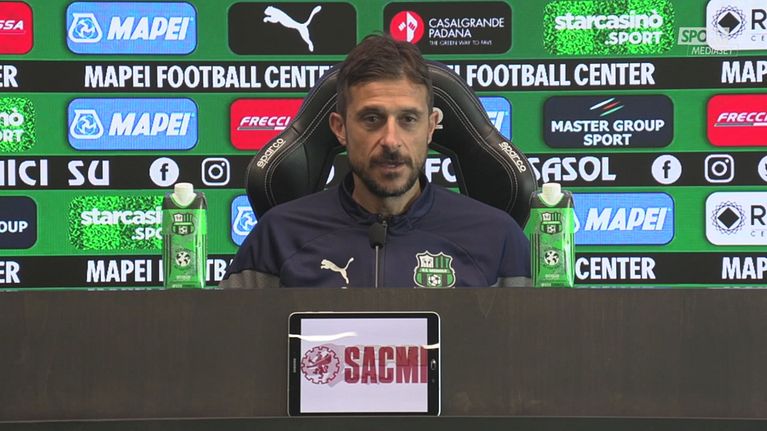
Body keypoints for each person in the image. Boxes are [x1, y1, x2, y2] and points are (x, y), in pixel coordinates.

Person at [220, 34, 531, 288]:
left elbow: (531, 342)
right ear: (340, 128)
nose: (391, 141)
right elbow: (228, 342)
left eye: (408, 119)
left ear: (431, 127)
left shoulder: (498, 238)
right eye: (372, 119)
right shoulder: (277, 236)